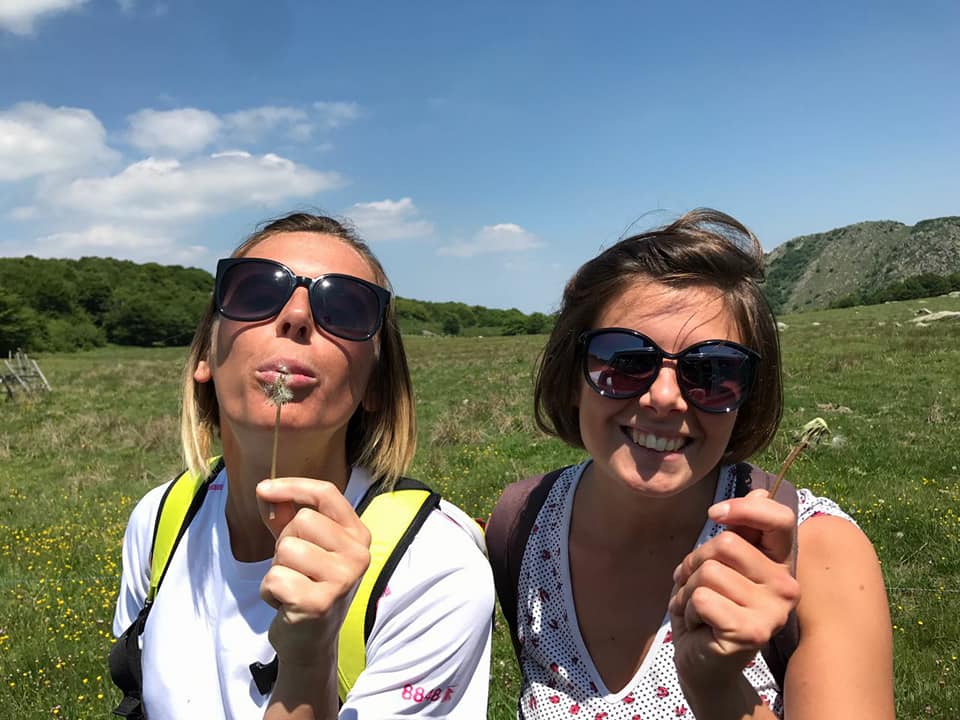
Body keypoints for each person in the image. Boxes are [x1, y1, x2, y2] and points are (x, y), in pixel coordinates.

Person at [486, 209, 894, 719]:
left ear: (748, 394)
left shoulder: (821, 554)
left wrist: (719, 687)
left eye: (713, 371)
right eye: (625, 360)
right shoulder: (521, 526)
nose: (664, 398)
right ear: (573, 376)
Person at [112, 212, 494, 719]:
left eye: (346, 307)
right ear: (205, 354)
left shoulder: (432, 569)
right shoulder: (160, 519)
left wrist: (310, 657)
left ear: (376, 384)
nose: (296, 316)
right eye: (253, 292)